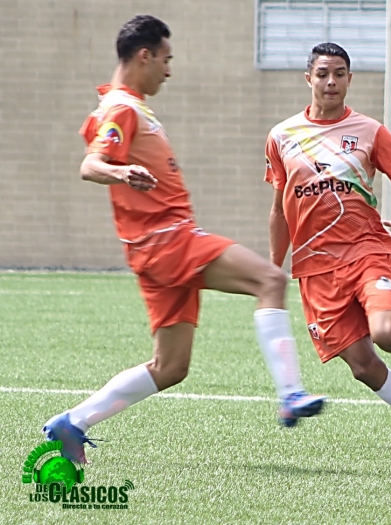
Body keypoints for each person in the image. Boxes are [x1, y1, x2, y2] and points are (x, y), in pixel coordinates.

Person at [43, 15, 325, 464]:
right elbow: (90, 164)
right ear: (145, 55)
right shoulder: (120, 109)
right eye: (166, 59)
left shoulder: (129, 106)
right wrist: (120, 171)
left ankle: (72, 423)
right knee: (271, 281)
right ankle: (291, 392)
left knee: (170, 368)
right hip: (167, 240)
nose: (169, 71)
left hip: (153, 249)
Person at [264, 42, 391, 450]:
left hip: (365, 250)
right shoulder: (281, 137)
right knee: (362, 366)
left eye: (339, 73)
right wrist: (273, 268)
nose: (331, 82)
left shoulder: (369, 131)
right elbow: (279, 210)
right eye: (322, 73)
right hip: (315, 269)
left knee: (388, 334)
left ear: (350, 79)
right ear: (309, 78)